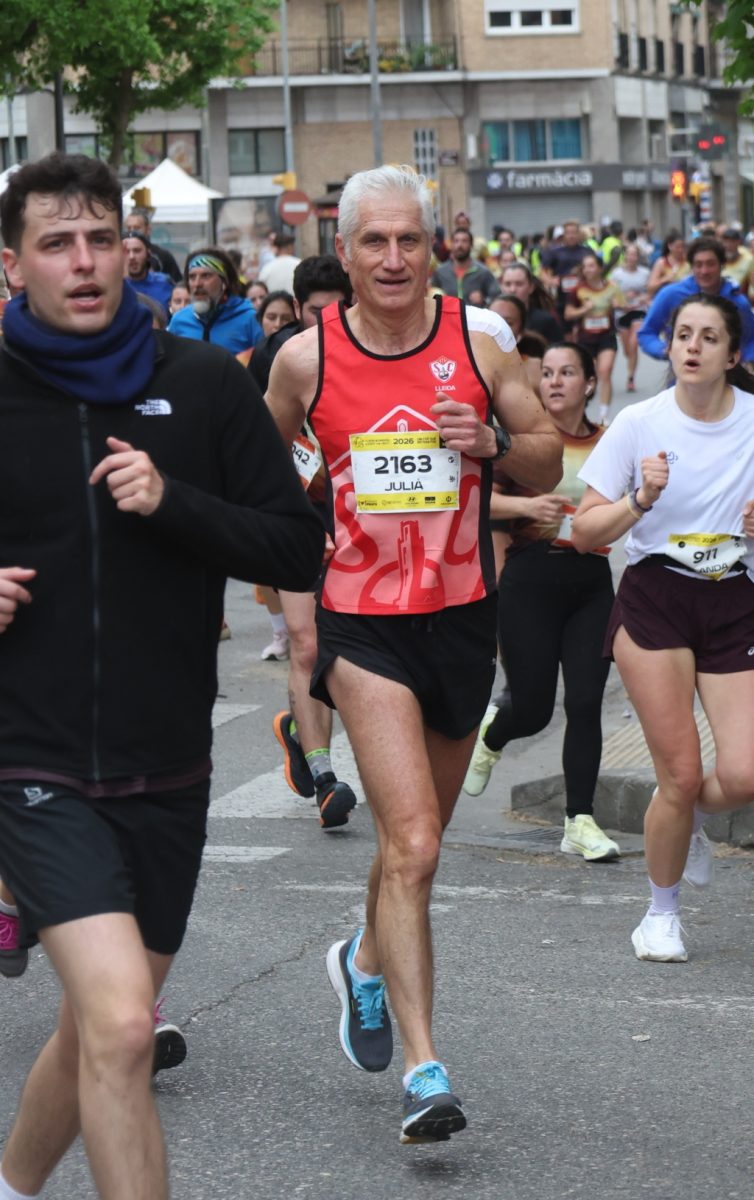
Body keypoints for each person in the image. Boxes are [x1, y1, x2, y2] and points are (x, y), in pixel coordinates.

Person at [0, 151, 324, 1200]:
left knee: (101, 1028)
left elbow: (297, 547)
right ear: (14, 265)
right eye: (57, 243)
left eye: (101, 239)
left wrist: (173, 501)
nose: (84, 262)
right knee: (125, 1023)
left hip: (168, 764)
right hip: (29, 759)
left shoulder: (200, 383)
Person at [265, 165, 561, 1142]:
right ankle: (425, 1067)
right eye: (374, 241)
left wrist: (490, 441)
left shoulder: (479, 341)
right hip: (360, 624)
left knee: (410, 846)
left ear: (434, 247)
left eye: (409, 240)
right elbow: (262, 470)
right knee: (419, 844)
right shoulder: (304, 361)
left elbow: (547, 452)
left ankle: (361, 959)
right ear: (343, 253)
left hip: (462, 616)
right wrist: (291, 550)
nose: (393, 258)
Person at [571, 294, 754, 963]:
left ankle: (687, 817)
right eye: (682, 335)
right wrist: (640, 498)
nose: (693, 347)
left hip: (735, 595)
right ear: (669, 346)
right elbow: (584, 531)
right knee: (678, 774)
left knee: (745, 773)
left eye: (709, 337)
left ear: (733, 354)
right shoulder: (639, 422)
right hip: (656, 596)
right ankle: (661, 914)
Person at [464, 341, 619, 858]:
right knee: (532, 711)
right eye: (547, 373)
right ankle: (494, 732)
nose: (554, 381)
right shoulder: (525, 444)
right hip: (530, 578)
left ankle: (580, 821)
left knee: (585, 701)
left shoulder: (609, 442)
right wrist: (528, 506)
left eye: (567, 372)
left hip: (591, 581)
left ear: (589, 383)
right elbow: (476, 498)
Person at [251, 256, 359, 828]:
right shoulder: (278, 360)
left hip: (360, 524)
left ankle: (298, 726)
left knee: (352, 654)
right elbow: (256, 452)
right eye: (317, 312)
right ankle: (324, 778)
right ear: (296, 309)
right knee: (307, 643)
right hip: (297, 520)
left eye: (339, 310)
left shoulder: (371, 356)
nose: (328, 322)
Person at [638, 237, 754, 364]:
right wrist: (663, 350)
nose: (704, 271)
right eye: (698, 265)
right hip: (683, 372)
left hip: (726, 373)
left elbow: (750, 340)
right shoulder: (671, 295)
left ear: (721, 265)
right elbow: (647, 333)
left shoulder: (737, 301)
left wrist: (748, 360)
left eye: (710, 264)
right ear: (691, 267)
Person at [167, 247, 263, 355]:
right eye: (192, 277)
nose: (197, 284)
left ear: (224, 282)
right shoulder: (179, 320)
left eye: (206, 276)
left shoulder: (250, 319)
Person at [565, 252, 624, 423]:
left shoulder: (612, 287)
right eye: (585, 267)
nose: (587, 270)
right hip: (585, 339)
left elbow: (624, 304)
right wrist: (584, 309)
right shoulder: (578, 289)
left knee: (605, 371)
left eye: (591, 266)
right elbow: (568, 314)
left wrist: (618, 305)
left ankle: (604, 415)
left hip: (607, 335)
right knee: (589, 376)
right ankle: (581, 410)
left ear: (599, 268)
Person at [611, 243, 650, 392]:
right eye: (629, 254)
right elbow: (612, 293)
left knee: (634, 344)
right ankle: (631, 362)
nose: (631, 257)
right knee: (628, 350)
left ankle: (631, 378)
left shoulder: (645, 273)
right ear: (625, 256)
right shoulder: (617, 274)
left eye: (634, 254)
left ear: (638, 257)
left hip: (639, 310)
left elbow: (650, 292)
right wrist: (621, 302)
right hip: (622, 312)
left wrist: (642, 298)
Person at [430, 226, 502, 306]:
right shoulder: (440, 272)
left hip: (474, 314)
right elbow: (431, 296)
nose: (459, 245)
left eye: (464, 241)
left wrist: (484, 299)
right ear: (451, 245)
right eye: (456, 241)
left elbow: (497, 296)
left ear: (471, 245)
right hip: (447, 313)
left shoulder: (483, 272)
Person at [501, 262, 562, 344]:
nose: (512, 289)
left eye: (519, 284)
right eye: (508, 284)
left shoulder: (545, 321)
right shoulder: (492, 320)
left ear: (531, 287)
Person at [124, 206, 181, 283]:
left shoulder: (163, 256)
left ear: (148, 230)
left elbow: (177, 284)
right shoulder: (119, 254)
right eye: (129, 228)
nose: (132, 232)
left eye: (137, 228)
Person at [122, 231, 173, 316]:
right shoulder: (113, 287)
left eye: (137, 251)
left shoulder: (165, 283)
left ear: (148, 253)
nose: (132, 257)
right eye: (126, 252)